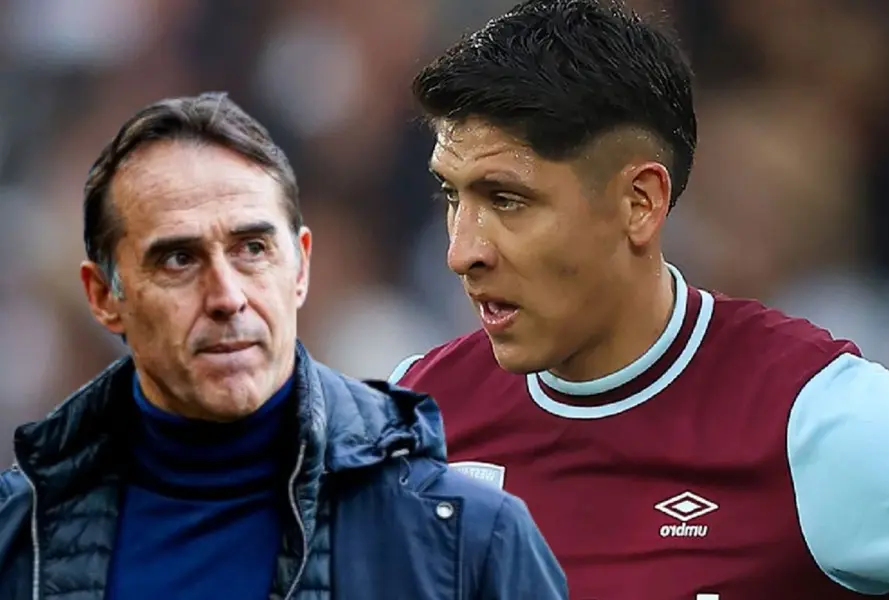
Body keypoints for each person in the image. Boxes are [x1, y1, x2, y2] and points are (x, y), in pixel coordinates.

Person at [391, 1, 889, 598]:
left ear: (640, 203)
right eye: (453, 197)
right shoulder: (414, 419)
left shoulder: (813, 418)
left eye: (508, 200)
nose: (464, 249)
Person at [0, 93, 566, 600]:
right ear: (104, 297)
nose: (227, 297)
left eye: (251, 249)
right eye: (178, 259)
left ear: (301, 268)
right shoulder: (15, 537)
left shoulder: (469, 544)